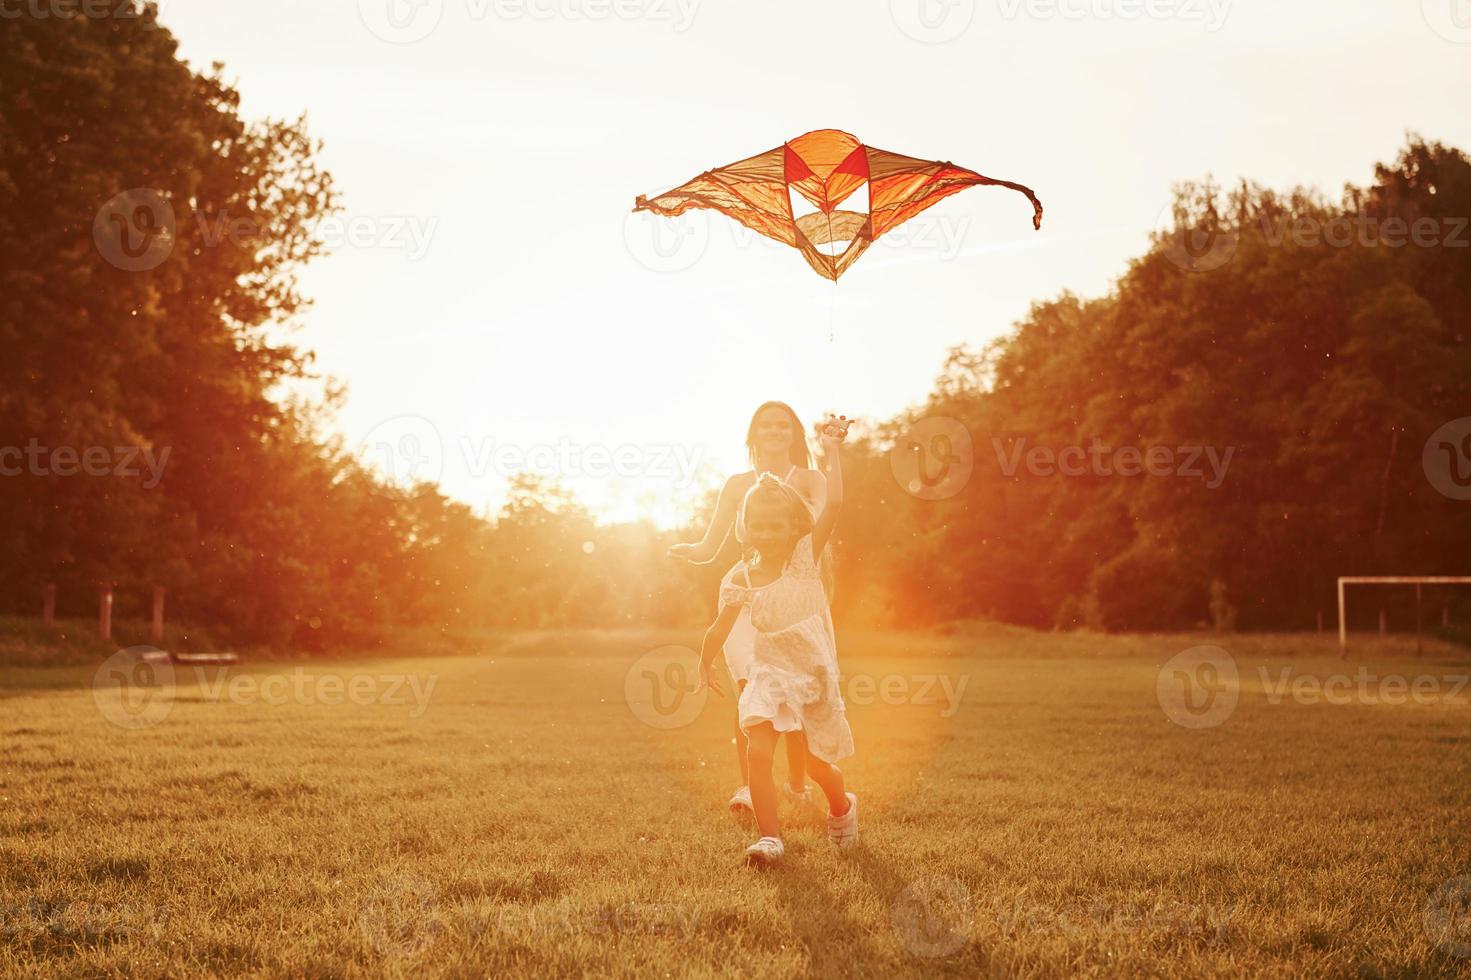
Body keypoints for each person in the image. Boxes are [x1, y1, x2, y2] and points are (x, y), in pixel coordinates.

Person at [696, 416, 856, 867]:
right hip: (767, 675)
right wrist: (704, 664)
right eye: (758, 526)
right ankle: (770, 838)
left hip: (810, 675)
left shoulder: (806, 559)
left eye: (776, 526)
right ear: (746, 527)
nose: (767, 534)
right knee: (759, 751)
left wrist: (832, 450)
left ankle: (842, 808)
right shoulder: (741, 575)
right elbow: (718, 628)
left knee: (819, 764)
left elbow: (837, 502)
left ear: (794, 526)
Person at [669, 401, 827, 818]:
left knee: (795, 694)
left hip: (795, 594)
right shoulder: (737, 484)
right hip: (746, 594)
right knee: (748, 691)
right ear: (753, 435)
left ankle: (797, 784)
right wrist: (694, 552)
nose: (774, 431)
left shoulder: (811, 480)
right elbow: (711, 544)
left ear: (794, 432)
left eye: (782, 425)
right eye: (765, 425)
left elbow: (828, 529)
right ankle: (747, 786)